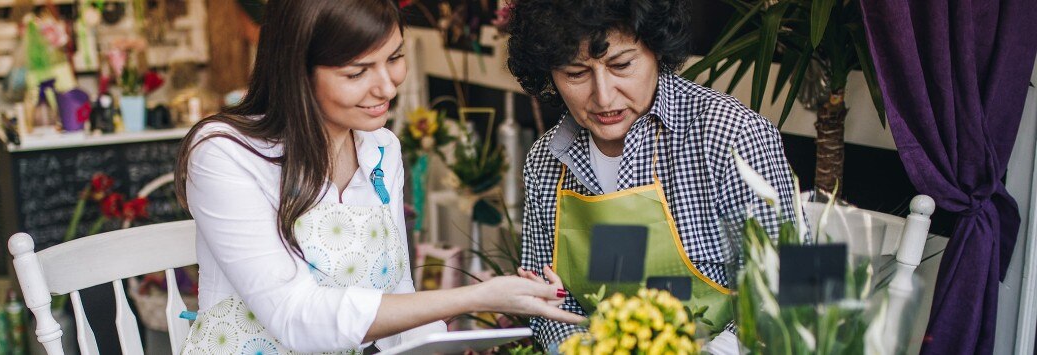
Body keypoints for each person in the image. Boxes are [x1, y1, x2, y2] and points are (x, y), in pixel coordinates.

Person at [174, 0, 584, 353]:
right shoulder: (225, 153)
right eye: (358, 73)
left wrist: (441, 343)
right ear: (296, 70)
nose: (386, 87)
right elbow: (292, 315)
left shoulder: (381, 148)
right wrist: (473, 296)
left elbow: (397, 295)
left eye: (394, 58)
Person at [504, 0, 797, 351]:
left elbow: (785, 289)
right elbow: (550, 305)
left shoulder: (730, 136)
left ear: (656, 50)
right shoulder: (546, 162)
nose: (603, 95)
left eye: (622, 65)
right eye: (576, 73)